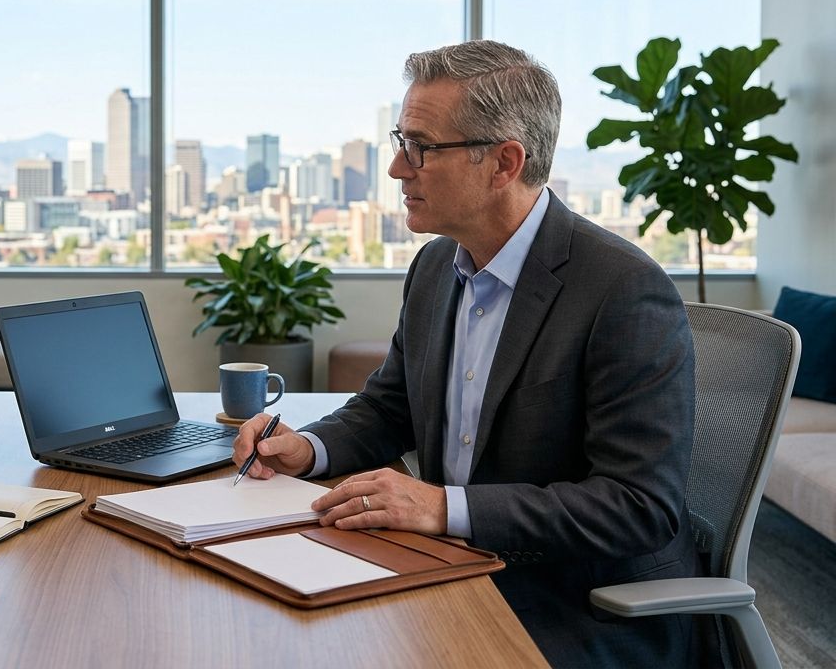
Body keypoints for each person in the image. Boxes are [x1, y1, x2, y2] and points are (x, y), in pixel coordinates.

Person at [233, 40, 712, 666]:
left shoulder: (623, 291)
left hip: (576, 597)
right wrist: (308, 448)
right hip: (450, 564)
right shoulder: (437, 265)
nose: (398, 170)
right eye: (400, 143)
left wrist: (441, 507)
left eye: (420, 148)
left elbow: (637, 506)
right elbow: (390, 407)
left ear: (504, 163)